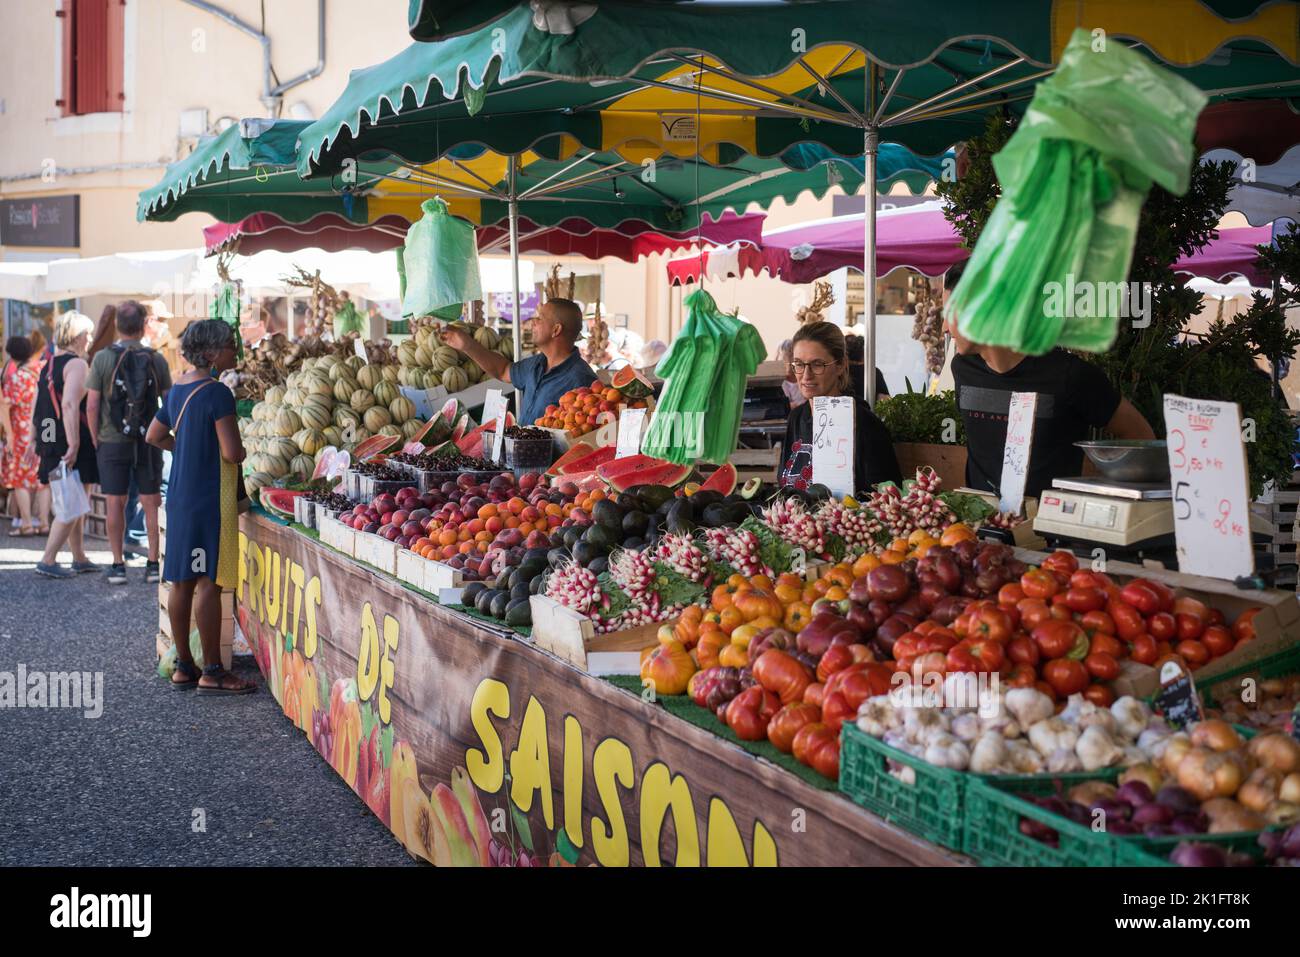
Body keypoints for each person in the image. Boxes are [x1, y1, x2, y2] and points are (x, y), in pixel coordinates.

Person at [943, 263, 1155, 500]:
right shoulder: (963, 368)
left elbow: (1140, 435)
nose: (944, 326)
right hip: (979, 527)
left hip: (1050, 530)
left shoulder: (1071, 375)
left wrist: (1101, 501)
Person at [146, 320, 254, 695]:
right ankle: (212, 671)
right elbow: (231, 452)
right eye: (229, 345)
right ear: (210, 353)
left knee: (182, 580)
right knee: (208, 581)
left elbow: (154, 435)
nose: (234, 351)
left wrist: (187, 448)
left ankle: (183, 667)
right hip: (209, 498)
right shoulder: (218, 393)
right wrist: (240, 452)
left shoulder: (178, 389)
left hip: (180, 496)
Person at [85, 299, 172, 584]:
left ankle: (118, 564)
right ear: (143, 325)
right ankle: (152, 565)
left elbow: (93, 405)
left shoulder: (102, 358)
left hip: (112, 439)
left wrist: (97, 438)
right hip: (149, 439)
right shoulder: (156, 358)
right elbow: (170, 402)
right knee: (151, 501)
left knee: (115, 502)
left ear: (119, 326)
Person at [779, 321, 902, 494]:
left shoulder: (864, 424)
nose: (806, 375)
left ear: (840, 365)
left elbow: (886, 498)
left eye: (817, 364)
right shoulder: (797, 418)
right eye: (799, 364)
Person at [440, 298, 597, 426]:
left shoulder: (582, 379)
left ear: (556, 330)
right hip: (524, 457)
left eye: (540, 318)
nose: (533, 321)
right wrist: (467, 345)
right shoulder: (536, 363)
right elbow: (503, 370)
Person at [32, 312, 100, 578]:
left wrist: (32, 438)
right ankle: (48, 559)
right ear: (78, 336)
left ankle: (79, 556)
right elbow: (69, 404)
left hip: (51, 439)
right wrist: (74, 443)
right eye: (89, 333)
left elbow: (38, 405)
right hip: (71, 439)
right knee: (72, 501)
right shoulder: (78, 365)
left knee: (75, 499)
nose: (91, 338)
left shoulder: (49, 364)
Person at [2, 336, 50, 536]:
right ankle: (45, 522)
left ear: (11, 354)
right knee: (43, 477)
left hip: (22, 430)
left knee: (20, 477)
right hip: (46, 428)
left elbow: (5, 406)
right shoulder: (41, 370)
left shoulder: (17, 377)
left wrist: (10, 436)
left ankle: (27, 523)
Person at [844, 332, 891, 403]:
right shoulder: (873, 371)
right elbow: (885, 400)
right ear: (864, 352)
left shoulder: (840, 371)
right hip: (868, 412)